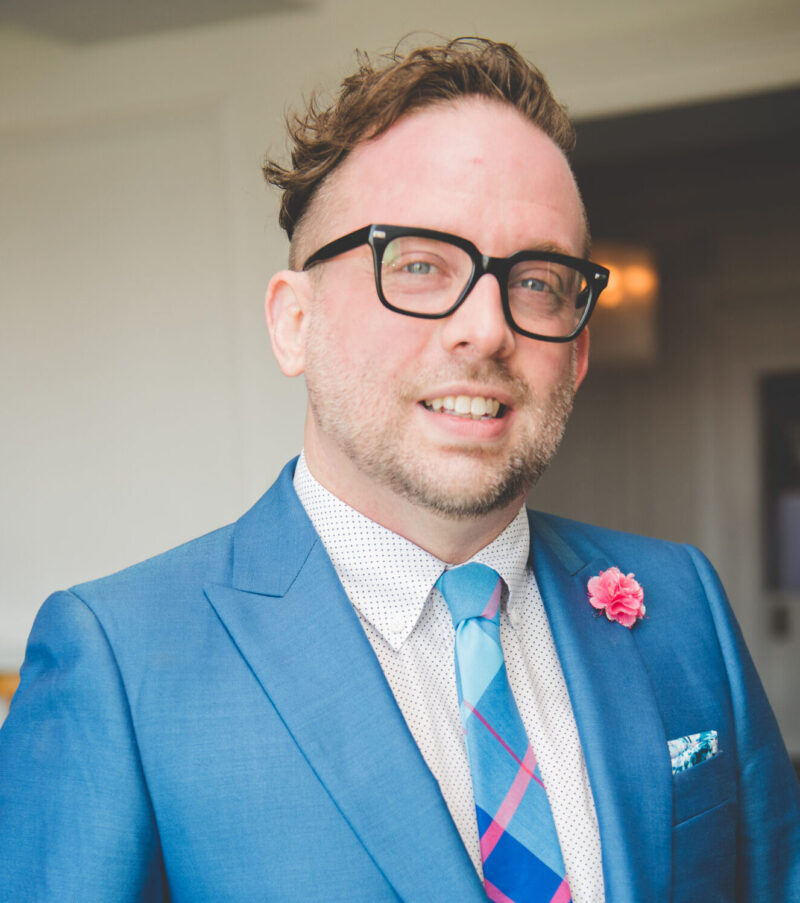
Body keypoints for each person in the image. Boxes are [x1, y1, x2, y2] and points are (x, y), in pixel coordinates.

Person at [0, 37, 798, 903]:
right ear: (293, 322)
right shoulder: (117, 663)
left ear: (577, 351)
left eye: (536, 280)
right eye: (420, 264)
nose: (487, 328)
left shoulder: (682, 605)